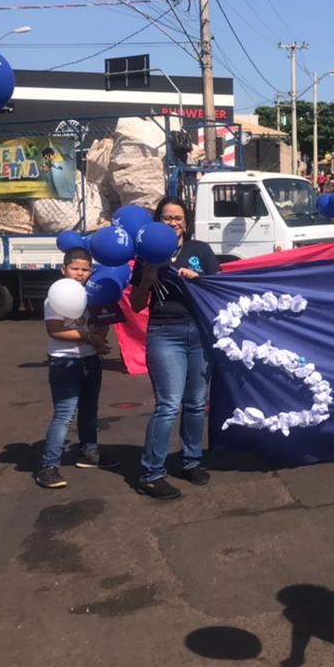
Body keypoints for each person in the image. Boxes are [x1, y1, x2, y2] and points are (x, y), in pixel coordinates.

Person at [130, 197, 221, 500]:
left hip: (199, 333)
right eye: (167, 218)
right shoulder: (147, 256)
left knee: (196, 403)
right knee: (168, 404)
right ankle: (151, 473)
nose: (174, 223)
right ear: (158, 222)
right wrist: (148, 280)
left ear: (187, 221)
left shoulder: (199, 251)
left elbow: (219, 291)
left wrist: (200, 280)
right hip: (164, 333)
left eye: (179, 217)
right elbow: (137, 303)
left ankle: (191, 461)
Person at [34, 247, 115, 489]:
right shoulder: (56, 295)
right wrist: (91, 337)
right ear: (64, 270)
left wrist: (99, 335)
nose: (80, 273)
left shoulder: (92, 295)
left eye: (84, 269)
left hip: (90, 359)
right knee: (65, 413)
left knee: (89, 409)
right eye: (74, 269)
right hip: (64, 361)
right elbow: (55, 329)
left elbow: (101, 322)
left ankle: (89, 453)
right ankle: (49, 466)